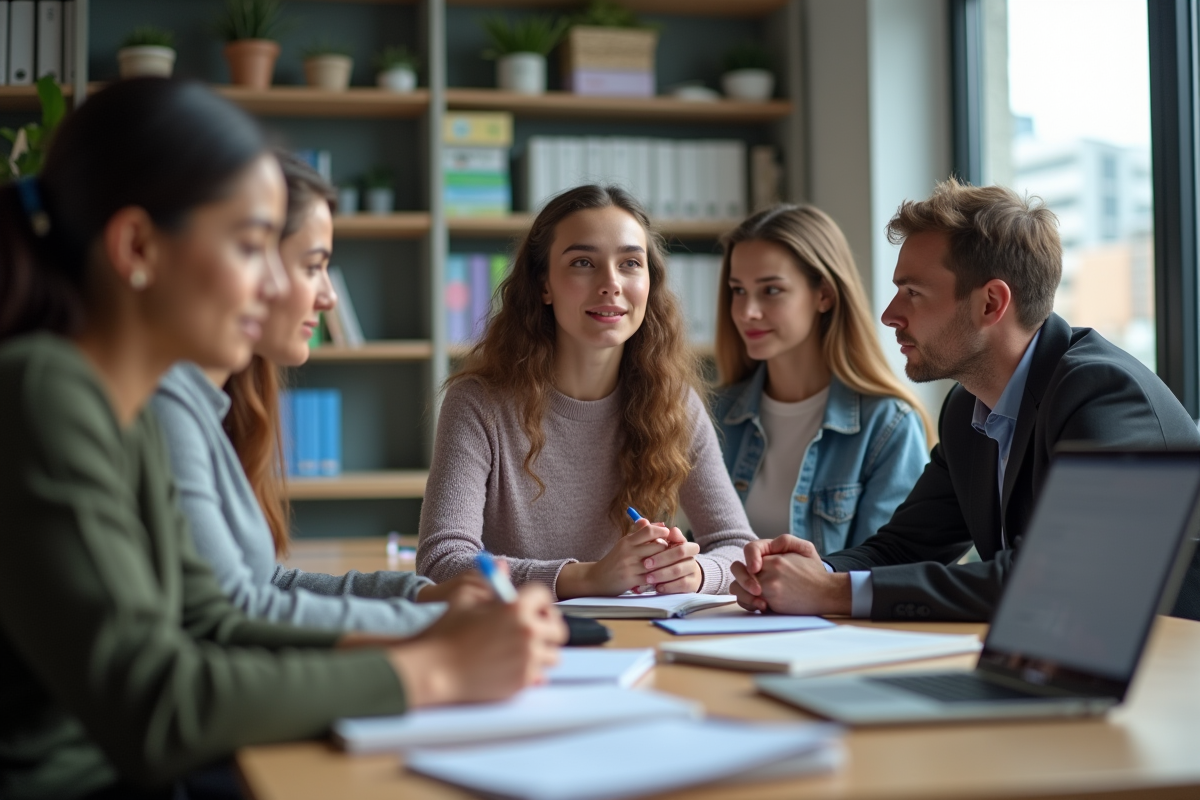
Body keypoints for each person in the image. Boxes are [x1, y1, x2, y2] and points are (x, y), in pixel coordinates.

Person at [0, 78, 563, 800]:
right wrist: (436, 669)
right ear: (137, 246)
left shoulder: (125, 406)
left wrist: (426, 633)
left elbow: (209, 618)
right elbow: (157, 704)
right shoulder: (44, 387)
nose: (274, 287)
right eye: (249, 246)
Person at [730, 178, 1200, 622]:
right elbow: (904, 547)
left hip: (1167, 676)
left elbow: (1061, 578)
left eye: (912, 292)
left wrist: (832, 593)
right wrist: (816, 573)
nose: (890, 315)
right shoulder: (967, 409)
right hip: (1056, 662)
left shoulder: (1103, 396)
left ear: (992, 303)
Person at [151, 152, 487, 637]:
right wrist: (428, 623)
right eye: (313, 266)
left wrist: (420, 595)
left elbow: (264, 582)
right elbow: (237, 611)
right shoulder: (166, 406)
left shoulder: (211, 407)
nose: (328, 296)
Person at [417, 185, 758, 599]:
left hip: (637, 639)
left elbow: (737, 545)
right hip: (512, 639)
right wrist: (586, 578)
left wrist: (695, 573)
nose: (611, 283)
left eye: (631, 263)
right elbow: (442, 561)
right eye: (583, 262)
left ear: (649, 282)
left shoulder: (674, 401)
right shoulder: (479, 402)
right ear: (544, 284)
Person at [712, 204, 931, 553]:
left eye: (770, 290)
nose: (747, 312)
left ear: (824, 295)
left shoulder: (889, 426)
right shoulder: (713, 415)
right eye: (738, 290)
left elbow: (884, 571)